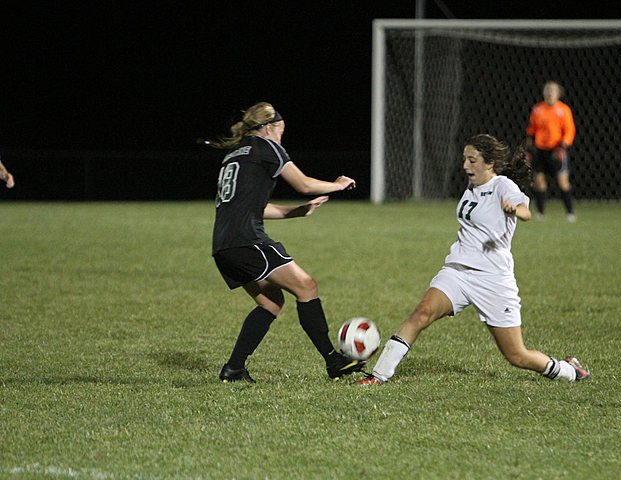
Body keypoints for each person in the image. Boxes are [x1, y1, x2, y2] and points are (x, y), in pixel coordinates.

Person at [357, 133, 590, 385]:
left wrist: (515, 210)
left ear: (489, 163)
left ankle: (569, 371)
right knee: (420, 314)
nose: (466, 166)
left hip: (492, 278)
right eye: (464, 159)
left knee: (516, 355)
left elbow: (526, 212)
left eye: (472, 160)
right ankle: (378, 376)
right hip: (457, 272)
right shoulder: (472, 187)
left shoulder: (503, 185)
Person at [210, 101, 364, 383]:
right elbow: (303, 184)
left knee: (270, 303)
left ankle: (233, 369)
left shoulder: (235, 154)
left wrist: (297, 212)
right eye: (281, 131)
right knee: (306, 286)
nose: (282, 137)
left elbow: (249, 206)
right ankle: (333, 361)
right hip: (247, 241)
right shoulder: (267, 146)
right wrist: (338, 184)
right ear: (269, 127)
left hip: (224, 246)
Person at [526, 80, 576, 221]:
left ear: (558, 93)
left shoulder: (563, 110)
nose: (549, 93)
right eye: (547, 89)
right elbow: (531, 130)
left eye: (552, 90)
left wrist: (563, 146)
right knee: (539, 181)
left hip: (556, 149)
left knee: (563, 181)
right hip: (540, 150)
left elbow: (569, 130)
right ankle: (540, 213)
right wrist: (529, 148)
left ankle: (570, 213)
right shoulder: (537, 109)